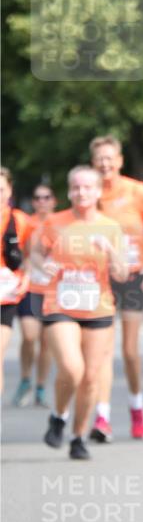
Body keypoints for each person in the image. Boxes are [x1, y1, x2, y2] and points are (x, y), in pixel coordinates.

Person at [35, 166, 128, 460]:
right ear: (69, 191)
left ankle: (77, 436)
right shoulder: (55, 222)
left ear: (99, 191)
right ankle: (59, 414)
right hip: (59, 304)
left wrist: (111, 252)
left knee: (90, 377)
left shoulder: (111, 227)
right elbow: (35, 252)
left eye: (88, 187)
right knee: (72, 369)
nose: (81, 192)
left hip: (97, 307)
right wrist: (43, 263)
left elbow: (123, 273)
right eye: (76, 187)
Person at [88, 135, 143, 442]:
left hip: (135, 276)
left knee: (130, 351)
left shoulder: (137, 191)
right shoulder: (90, 195)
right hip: (102, 278)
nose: (105, 164)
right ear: (93, 163)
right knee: (102, 349)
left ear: (120, 161)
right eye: (100, 159)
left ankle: (137, 408)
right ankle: (102, 417)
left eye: (110, 158)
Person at [11, 184, 57, 407]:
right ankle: (25, 378)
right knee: (29, 336)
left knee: (46, 342)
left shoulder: (62, 223)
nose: (41, 201)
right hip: (30, 287)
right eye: (37, 198)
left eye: (46, 197)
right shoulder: (26, 223)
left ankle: (39, 386)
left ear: (54, 201)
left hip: (52, 290)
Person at [0, 167, 31, 399]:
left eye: (1, 189)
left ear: (9, 190)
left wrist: (27, 276)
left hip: (6, 296)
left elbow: (34, 254)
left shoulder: (21, 220)